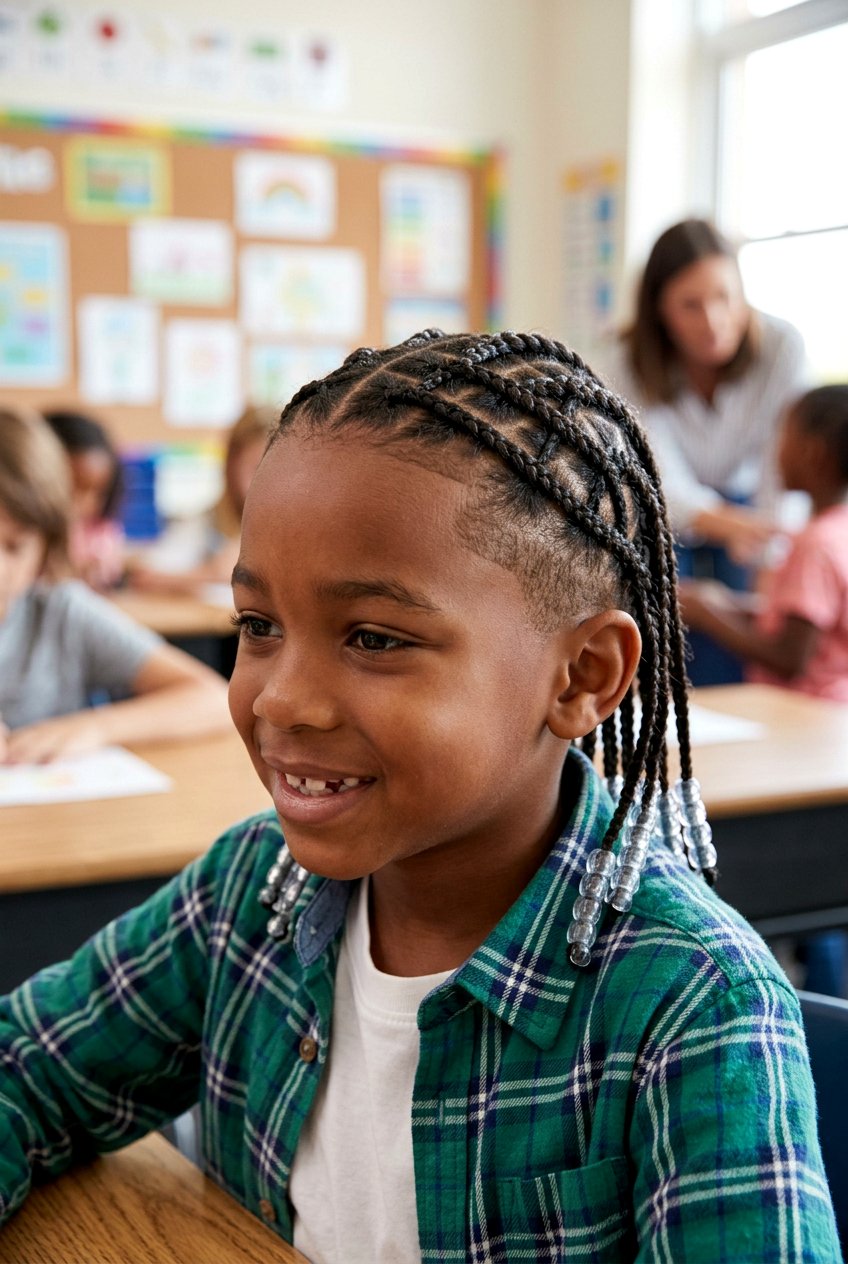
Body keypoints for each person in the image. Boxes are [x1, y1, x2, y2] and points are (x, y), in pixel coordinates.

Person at [0, 334, 838, 1261]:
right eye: (258, 625)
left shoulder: (693, 1004)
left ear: (583, 676)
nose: (279, 698)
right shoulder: (249, 894)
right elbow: (21, 1074)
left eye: (374, 638)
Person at [680, 384, 848, 1000]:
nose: (776, 449)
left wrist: (703, 608)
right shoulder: (838, 530)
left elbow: (790, 652)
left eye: (787, 434)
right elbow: (804, 623)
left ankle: (808, 993)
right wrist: (735, 605)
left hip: (801, 731)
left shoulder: (814, 542)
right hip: (831, 731)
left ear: (817, 451)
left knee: (786, 873)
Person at [602, 218, 808, 684]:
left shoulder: (782, 347)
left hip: (758, 517)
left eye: (724, 298)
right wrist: (728, 525)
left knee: (753, 635)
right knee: (668, 627)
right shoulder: (626, 360)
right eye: (690, 305)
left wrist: (774, 561)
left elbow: (787, 469)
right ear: (659, 310)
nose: (713, 321)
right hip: (667, 517)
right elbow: (652, 475)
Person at [0, 407, 231, 764]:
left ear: (45, 548)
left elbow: (214, 700)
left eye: (15, 547)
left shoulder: (59, 610)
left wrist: (92, 727)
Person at [126, 406, 275, 597]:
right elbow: (144, 574)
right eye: (255, 468)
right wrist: (213, 573)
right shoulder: (208, 523)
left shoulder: (297, 526)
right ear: (231, 466)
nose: (266, 482)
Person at [43, 407, 126, 591]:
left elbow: (113, 568)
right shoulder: (25, 533)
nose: (83, 503)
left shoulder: (100, 530)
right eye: (72, 488)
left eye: (97, 492)